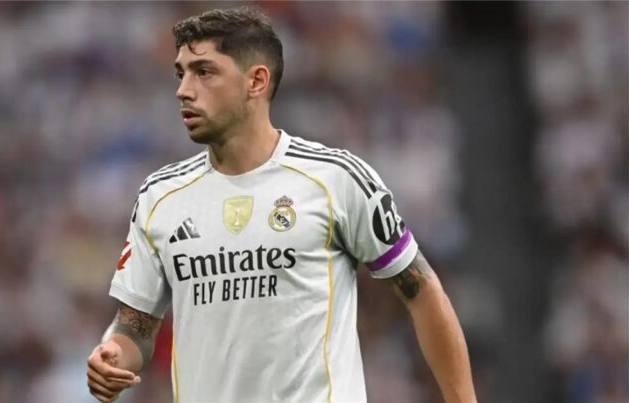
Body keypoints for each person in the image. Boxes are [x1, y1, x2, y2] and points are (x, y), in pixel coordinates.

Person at [87, 6, 476, 403]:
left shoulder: (336, 180)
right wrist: (113, 352)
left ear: (256, 81)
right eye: (181, 73)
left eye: (204, 72)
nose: (183, 90)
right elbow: (134, 325)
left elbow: (422, 290)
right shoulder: (160, 197)